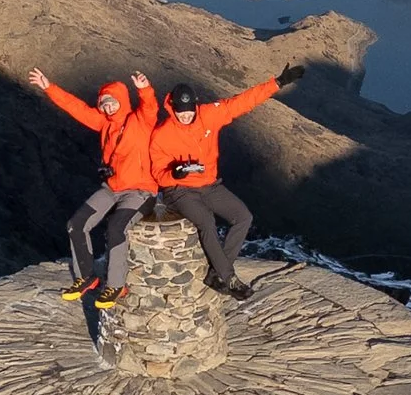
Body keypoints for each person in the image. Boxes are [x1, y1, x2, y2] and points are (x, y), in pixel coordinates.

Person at [147, 63, 305, 297]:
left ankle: (216, 272)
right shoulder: (163, 133)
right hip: (179, 190)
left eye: (189, 110)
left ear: (195, 105)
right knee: (207, 222)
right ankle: (229, 279)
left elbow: (241, 103)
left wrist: (277, 83)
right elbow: (157, 170)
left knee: (243, 217)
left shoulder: (209, 115)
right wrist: (174, 173)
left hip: (209, 185)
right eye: (181, 111)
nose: (186, 115)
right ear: (172, 107)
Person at [29, 67, 157, 302]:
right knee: (76, 225)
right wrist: (49, 87)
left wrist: (144, 89)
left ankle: (116, 285)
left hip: (141, 191)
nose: (108, 107)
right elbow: (76, 108)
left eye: (112, 103)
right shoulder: (104, 124)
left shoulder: (140, 120)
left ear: (122, 101)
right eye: (104, 104)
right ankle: (86, 277)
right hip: (112, 188)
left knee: (116, 227)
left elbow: (150, 107)